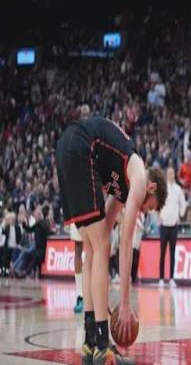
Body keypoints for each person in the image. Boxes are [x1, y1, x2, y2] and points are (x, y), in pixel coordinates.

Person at [55, 115, 167, 365]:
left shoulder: (122, 187)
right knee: (102, 246)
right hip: (81, 147)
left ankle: (90, 342)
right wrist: (124, 304)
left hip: (65, 148)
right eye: (148, 207)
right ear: (151, 188)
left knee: (94, 247)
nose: (143, 211)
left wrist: (99, 296)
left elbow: (104, 230)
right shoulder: (139, 178)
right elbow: (125, 244)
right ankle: (103, 347)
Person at [71, 104, 91, 312]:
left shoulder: (95, 139)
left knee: (95, 248)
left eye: (88, 114)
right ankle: (79, 295)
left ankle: (91, 292)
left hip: (93, 199)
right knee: (78, 248)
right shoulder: (73, 141)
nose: (85, 116)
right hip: (77, 200)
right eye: (82, 114)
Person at [158, 167, 186, 288]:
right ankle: (161, 278)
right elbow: (158, 203)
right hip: (164, 225)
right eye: (168, 173)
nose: (170, 175)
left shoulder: (178, 189)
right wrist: (158, 215)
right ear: (166, 175)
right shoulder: (163, 188)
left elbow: (183, 204)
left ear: (174, 175)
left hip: (174, 225)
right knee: (162, 253)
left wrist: (180, 215)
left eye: (172, 173)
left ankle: (171, 278)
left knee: (172, 253)